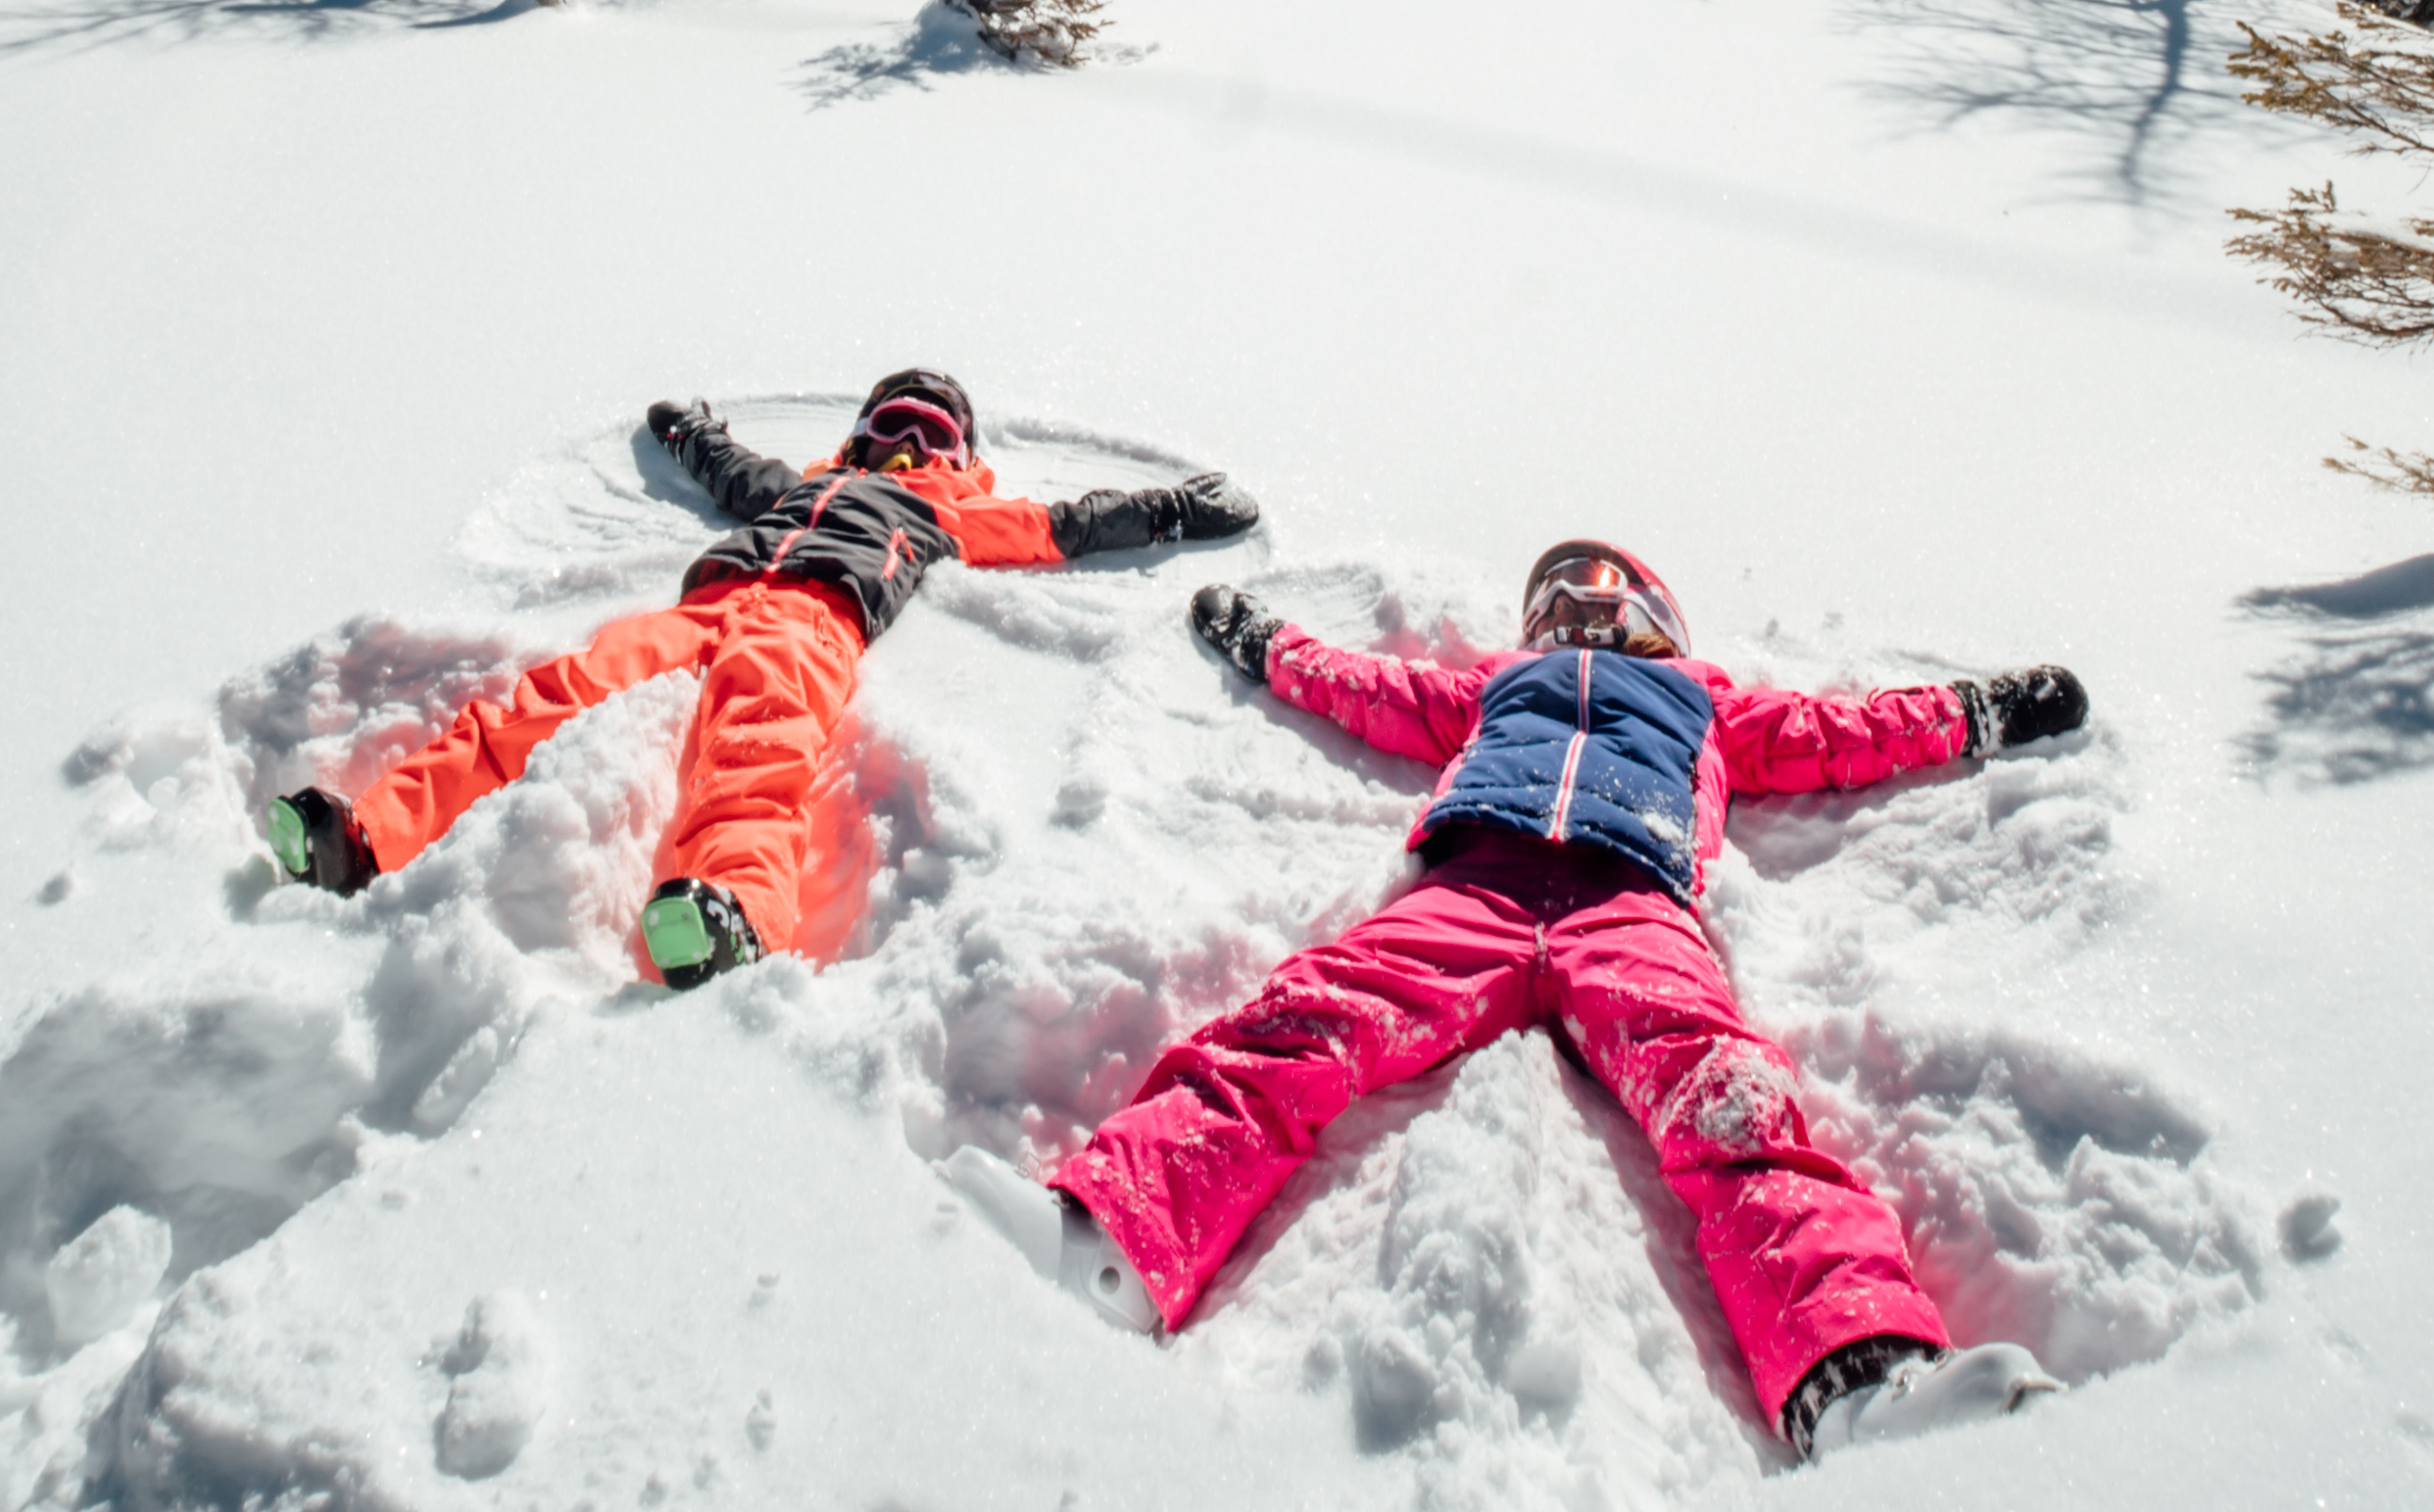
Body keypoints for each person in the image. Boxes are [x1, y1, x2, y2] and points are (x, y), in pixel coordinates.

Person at [992, 540, 2085, 1462]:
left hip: (1631, 906)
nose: (1578, 612)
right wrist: (1267, 645)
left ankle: (1860, 1376)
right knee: (1299, 1025)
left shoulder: (1706, 701)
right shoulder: (1497, 686)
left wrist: (1974, 711)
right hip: (1473, 887)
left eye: (1601, 594)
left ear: (1654, 617)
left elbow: (1841, 735)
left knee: (1730, 1105)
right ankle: (1109, 1243)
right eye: (1557, 600)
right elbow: (1367, 689)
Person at [263, 369, 1259, 986]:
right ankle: (364, 838)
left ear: (957, 457)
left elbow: (1067, 527)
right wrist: (692, 432)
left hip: (813, 622)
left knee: (759, 754)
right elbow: (733, 474)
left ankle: (723, 912)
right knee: (547, 697)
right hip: (704, 606)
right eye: (889, 427)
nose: (906, 445)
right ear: (858, 434)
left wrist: (1173, 507)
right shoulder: (803, 484)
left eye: (931, 436)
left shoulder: (948, 514)